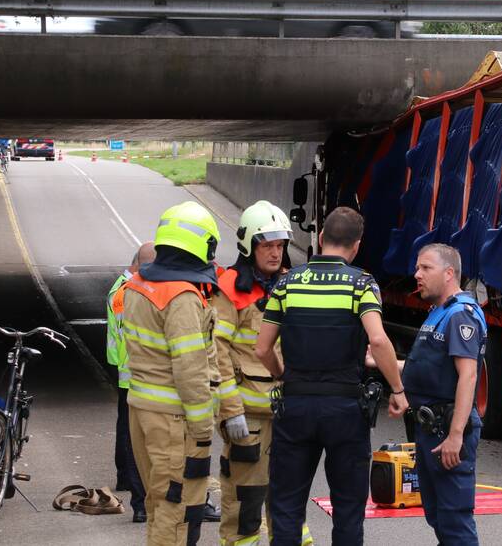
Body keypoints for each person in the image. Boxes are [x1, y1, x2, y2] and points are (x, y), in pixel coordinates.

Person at [255, 206, 408, 546]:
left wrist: (283, 376)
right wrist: (397, 389)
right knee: (348, 509)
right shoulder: (362, 284)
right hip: (345, 410)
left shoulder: (286, 283)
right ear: (357, 245)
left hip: (295, 406)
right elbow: (379, 340)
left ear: (321, 238)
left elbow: (263, 349)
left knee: (286, 507)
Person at [212, 201, 311, 546]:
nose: (275, 253)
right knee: (246, 501)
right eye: (267, 245)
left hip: (287, 412)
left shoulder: (291, 286)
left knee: (288, 496)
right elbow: (217, 353)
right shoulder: (230, 291)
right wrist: (230, 410)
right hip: (248, 418)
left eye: (280, 245)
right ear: (248, 245)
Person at [123, 201, 221, 546]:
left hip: (143, 411)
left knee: (157, 501)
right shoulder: (181, 296)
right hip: (173, 421)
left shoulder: (138, 285)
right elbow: (190, 367)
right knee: (175, 508)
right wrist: (204, 425)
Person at [401, 244, 487, 545]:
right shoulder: (438, 312)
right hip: (429, 430)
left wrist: (455, 435)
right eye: (417, 268)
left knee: (454, 519)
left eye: (426, 268)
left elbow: (468, 374)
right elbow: (427, 366)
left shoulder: (460, 316)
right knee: (438, 516)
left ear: (449, 273)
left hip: (445, 431)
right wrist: (380, 362)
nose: (417, 275)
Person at [108, 241, 157, 522]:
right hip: (136, 374)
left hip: (128, 371)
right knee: (137, 439)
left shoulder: (120, 288)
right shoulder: (130, 293)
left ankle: (128, 480)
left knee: (129, 434)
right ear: (140, 265)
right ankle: (139, 497)